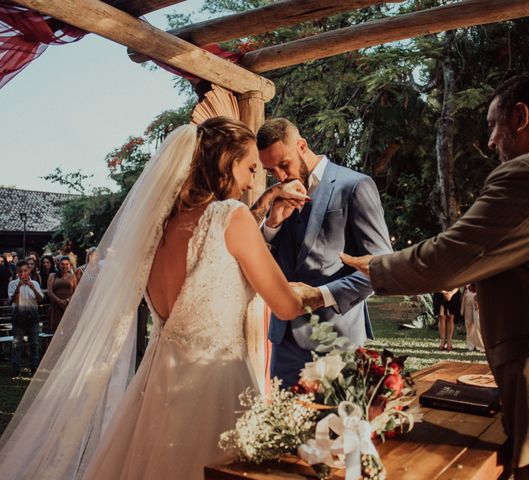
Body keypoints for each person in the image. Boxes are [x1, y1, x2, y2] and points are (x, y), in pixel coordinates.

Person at [341, 72, 529, 479]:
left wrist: (375, 265)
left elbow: (452, 255)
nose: (490, 142)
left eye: (492, 126)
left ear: (520, 116)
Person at [0, 117, 308, 480]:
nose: (253, 180)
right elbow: (286, 305)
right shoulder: (231, 216)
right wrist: (321, 293)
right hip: (216, 386)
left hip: (158, 385)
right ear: (224, 163)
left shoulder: (159, 230)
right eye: (250, 167)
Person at [249, 117, 392, 388]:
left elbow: (381, 267)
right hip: (285, 341)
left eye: (283, 164)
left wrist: (321, 296)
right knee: (283, 428)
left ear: (302, 146)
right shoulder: (279, 195)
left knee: (336, 429)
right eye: (271, 171)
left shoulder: (354, 186)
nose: (280, 177)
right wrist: (272, 225)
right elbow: (265, 265)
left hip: (337, 339)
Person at [7, 260, 44, 376]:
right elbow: (14, 301)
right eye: (20, 272)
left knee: (34, 344)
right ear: (17, 273)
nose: (23, 273)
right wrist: (19, 286)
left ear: (28, 271)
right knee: (17, 345)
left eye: (25, 271)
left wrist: (32, 287)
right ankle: (15, 371)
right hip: (18, 318)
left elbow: (40, 299)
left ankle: (34, 369)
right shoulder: (12, 284)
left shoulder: (35, 283)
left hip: (33, 318)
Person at [47, 256, 76, 333]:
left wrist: (67, 300)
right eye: (63, 264)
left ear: (70, 265)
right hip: (56, 305)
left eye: (67, 264)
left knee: (69, 328)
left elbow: (76, 291)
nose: (65, 266)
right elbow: (49, 291)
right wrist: (59, 301)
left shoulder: (72, 277)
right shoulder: (53, 276)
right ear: (59, 265)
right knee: (57, 330)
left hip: (68, 305)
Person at [460, 283, 483, 352]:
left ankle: (480, 346)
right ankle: (471, 345)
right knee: (468, 323)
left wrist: (478, 295)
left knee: (477, 322)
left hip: (476, 294)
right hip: (467, 295)